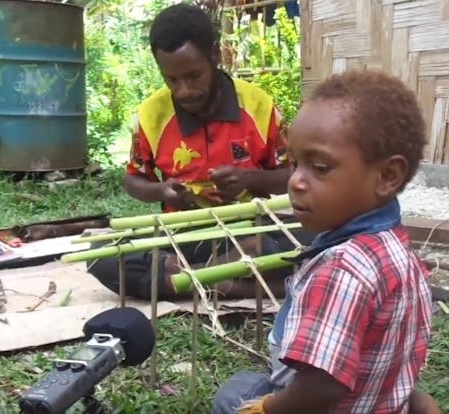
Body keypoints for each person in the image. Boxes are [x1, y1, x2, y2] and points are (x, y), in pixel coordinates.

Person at [211, 69, 441, 414]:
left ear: (387, 177)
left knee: (232, 397)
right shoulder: (398, 251)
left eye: (319, 167)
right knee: (248, 382)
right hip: (377, 400)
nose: (295, 182)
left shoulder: (341, 271)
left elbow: (321, 387)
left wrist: (265, 410)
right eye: (294, 164)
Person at [87, 3, 314, 301]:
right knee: (100, 256)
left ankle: (183, 280)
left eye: (194, 76)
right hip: (181, 236)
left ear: (215, 55)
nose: (183, 91)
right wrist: (162, 191)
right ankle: (225, 280)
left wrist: (250, 179)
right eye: (172, 79)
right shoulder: (151, 116)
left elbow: (295, 175)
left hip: (250, 231)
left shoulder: (259, 106)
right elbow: (133, 180)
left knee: (316, 240)